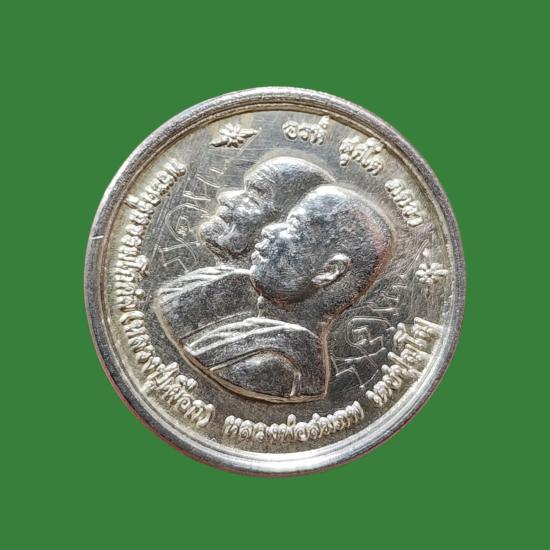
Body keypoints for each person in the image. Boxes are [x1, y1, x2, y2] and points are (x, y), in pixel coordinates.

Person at [184, 185, 394, 402]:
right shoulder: (259, 335)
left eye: (293, 225)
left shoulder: (275, 367)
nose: (269, 230)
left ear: (328, 271)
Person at [154, 156, 335, 347]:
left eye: (254, 196)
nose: (225, 197)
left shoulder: (225, 301)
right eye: (245, 189)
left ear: (282, 224)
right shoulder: (205, 288)